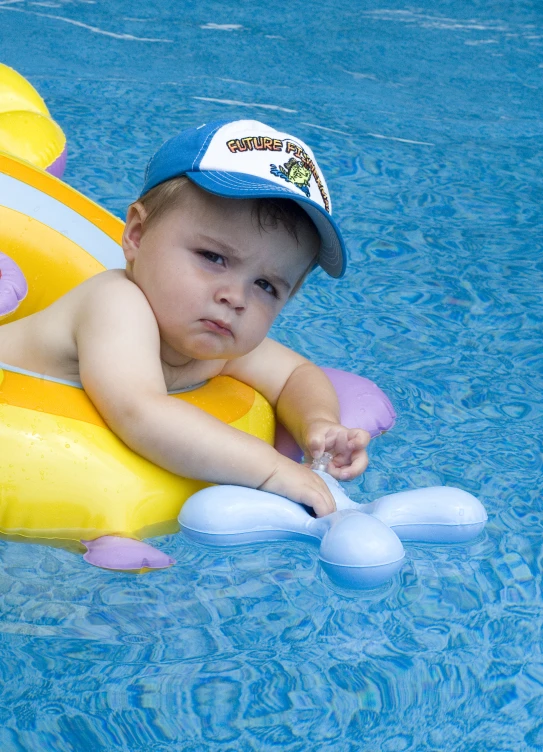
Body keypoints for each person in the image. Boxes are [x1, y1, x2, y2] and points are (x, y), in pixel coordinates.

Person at [0, 119, 370, 517]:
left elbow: (295, 375)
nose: (236, 297)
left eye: (266, 285)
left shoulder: (216, 337)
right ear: (137, 235)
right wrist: (273, 470)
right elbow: (141, 412)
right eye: (214, 257)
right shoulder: (115, 303)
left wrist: (318, 424)